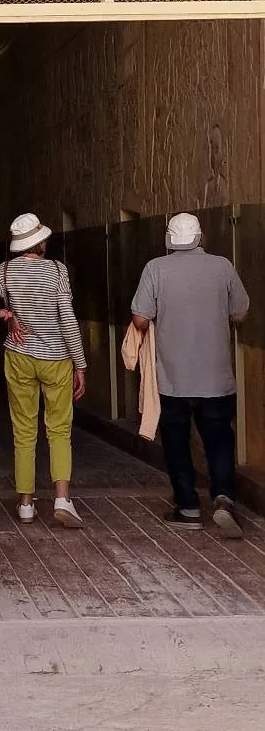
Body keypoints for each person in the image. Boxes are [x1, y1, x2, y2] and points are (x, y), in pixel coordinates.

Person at [131, 211, 249, 538]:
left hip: (173, 378)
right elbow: (240, 314)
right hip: (216, 377)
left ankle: (188, 507)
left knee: (177, 441)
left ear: (169, 240)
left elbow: (140, 318)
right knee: (220, 439)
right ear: (201, 237)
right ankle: (223, 498)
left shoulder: (155, 268)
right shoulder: (223, 266)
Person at [0, 212, 87, 528]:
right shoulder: (56, 271)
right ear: (41, 242)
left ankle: (25, 503)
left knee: (23, 430)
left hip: (19, 356)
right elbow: (68, 321)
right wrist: (81, 364)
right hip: (56, 359)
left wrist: (6, 315)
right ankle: (62, 498)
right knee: (59, 428)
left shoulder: (5, 272)